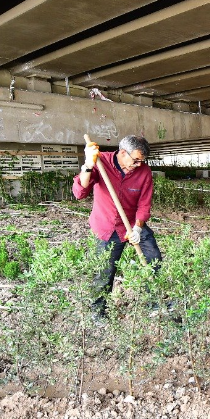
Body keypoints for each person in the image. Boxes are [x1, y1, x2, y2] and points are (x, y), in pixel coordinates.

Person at [73, 135, 161, 319]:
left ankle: (156, 302)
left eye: (141, 161)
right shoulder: (101, 162)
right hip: (107, 226)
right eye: (135, 160)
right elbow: (80, 192)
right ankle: (97, 313)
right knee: (105, 272)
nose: (138, 165)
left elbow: (144, 204)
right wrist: (88, 164)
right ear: (122, 153)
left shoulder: (143, 171)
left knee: (154, 260)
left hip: (131, 222)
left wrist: (137, 228)